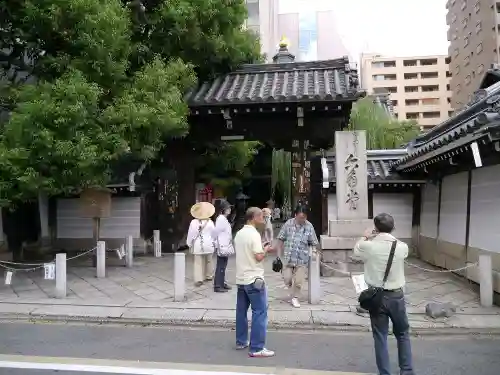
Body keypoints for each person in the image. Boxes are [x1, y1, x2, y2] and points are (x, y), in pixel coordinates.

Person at [353, 213, 415, 375]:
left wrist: (365, 236)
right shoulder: (402, 247)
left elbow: (356, 251)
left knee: (380, 337)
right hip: (396, 296)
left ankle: (385, 372)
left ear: (375, 228)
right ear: (393, 228)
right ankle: (407, 370)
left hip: (376, 297)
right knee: (402, 334)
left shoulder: (369, 246)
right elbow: (403, 252)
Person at [234, 207, 275, 358]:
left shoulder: (239, 234)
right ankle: (257, 347)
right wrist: (266, 250)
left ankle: (241, 341)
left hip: (241, 278)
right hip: (254, 278)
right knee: (260, 312)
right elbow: (258, 257)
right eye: (262, 216)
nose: (263, 219)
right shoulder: (254, 234)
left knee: (241, 312)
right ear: (254, 217)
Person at [275, 205, 319, 308]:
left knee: (298, 281)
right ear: (295, 215)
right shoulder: (288, 224)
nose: (302, 220)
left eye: (304, 218)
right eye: (300, 217)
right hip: (288, 257)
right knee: (287, 278)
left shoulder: (309, 226)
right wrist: (278, 255)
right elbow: (280, 239)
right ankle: (291, 289)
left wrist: (315, 251)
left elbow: (314, 242)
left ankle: (295, 297)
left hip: (301, 258)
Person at [186, 202, 216, 287]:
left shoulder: (193, 222)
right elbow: (214, 234)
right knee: (209, 260)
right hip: (209, 244)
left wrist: (189, 243)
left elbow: (191, 234)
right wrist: (214, 243)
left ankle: (199, 279)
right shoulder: (210, 222)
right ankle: (209, 275)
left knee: (198, 262)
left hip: (198, 245)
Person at [212, 199, 234, 293]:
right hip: (222, 245)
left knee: (223, 265)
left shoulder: (223, 219)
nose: (229, 209)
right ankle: (218, 285)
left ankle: (222, 283)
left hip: (225, 244)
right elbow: (216, 232)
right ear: (223, 209)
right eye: (227, 208)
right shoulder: (221, 219)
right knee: (221, 265)